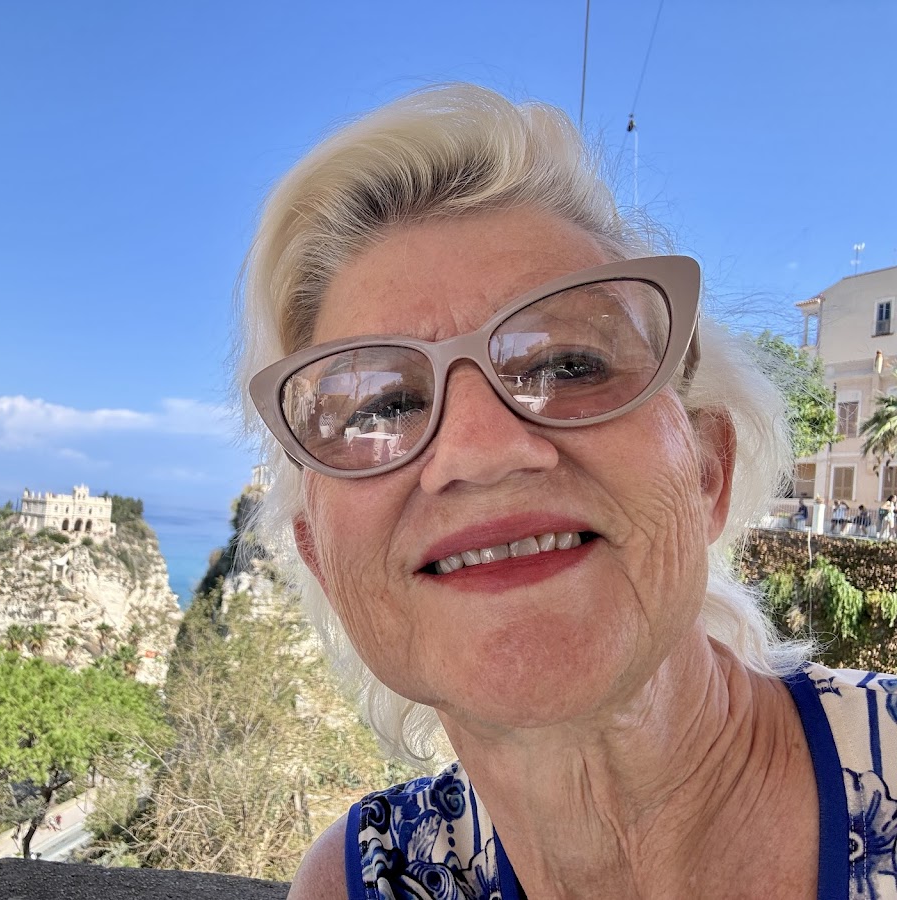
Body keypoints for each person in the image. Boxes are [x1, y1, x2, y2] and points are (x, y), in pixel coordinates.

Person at [239, 84, 895, 898]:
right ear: (322, 558)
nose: (480, 451)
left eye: (569, 365)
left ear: (707, 470)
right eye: (383, 406)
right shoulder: (359, 881)